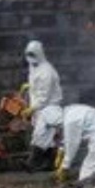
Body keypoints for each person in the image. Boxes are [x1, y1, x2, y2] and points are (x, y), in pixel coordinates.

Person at [20, 40, 63, 172]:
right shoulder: (34, 65)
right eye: (29, 54)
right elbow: (35, 82)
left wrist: (31, 109)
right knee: (47, 137)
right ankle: (50, 163)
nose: (30, 57)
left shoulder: (47, 72)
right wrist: (29, 86)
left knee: (40, 135)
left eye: (33, 54)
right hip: (39, 107)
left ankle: (31, 163)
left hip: (49, 107)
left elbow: (44, 97)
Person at [53, 104, 95, 187]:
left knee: (89, 168)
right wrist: (61, 150)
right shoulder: (69, 111)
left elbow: (71, 144)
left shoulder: (69, 122)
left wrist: (64, 166)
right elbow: (65, 137)